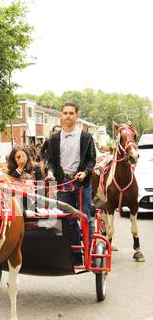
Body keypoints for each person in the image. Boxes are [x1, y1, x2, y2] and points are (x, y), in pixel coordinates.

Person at [46, 102, 96, 265]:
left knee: (85, 217)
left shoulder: (86, 137)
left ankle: (88, 252)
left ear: (76, 116)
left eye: (71, 113)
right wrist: (50, 172)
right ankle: (75, 253)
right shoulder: (54, 139)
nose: (68, 116)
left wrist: (86, 172)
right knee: (68, 219)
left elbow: (91, 160)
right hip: (63, 184)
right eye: (65, 113)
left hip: (81, 183)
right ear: (61, 115)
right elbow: (51, 162)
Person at [7, 146, 44, 217]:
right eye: (18, 157)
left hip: (34, 205)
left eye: (23, 156)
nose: (21, 159)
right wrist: (20, 167)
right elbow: (9, 185)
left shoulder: (35, 167)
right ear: (13, 159)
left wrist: (38, 208)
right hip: (19, 207)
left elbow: (41, 189)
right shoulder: (11, 170)